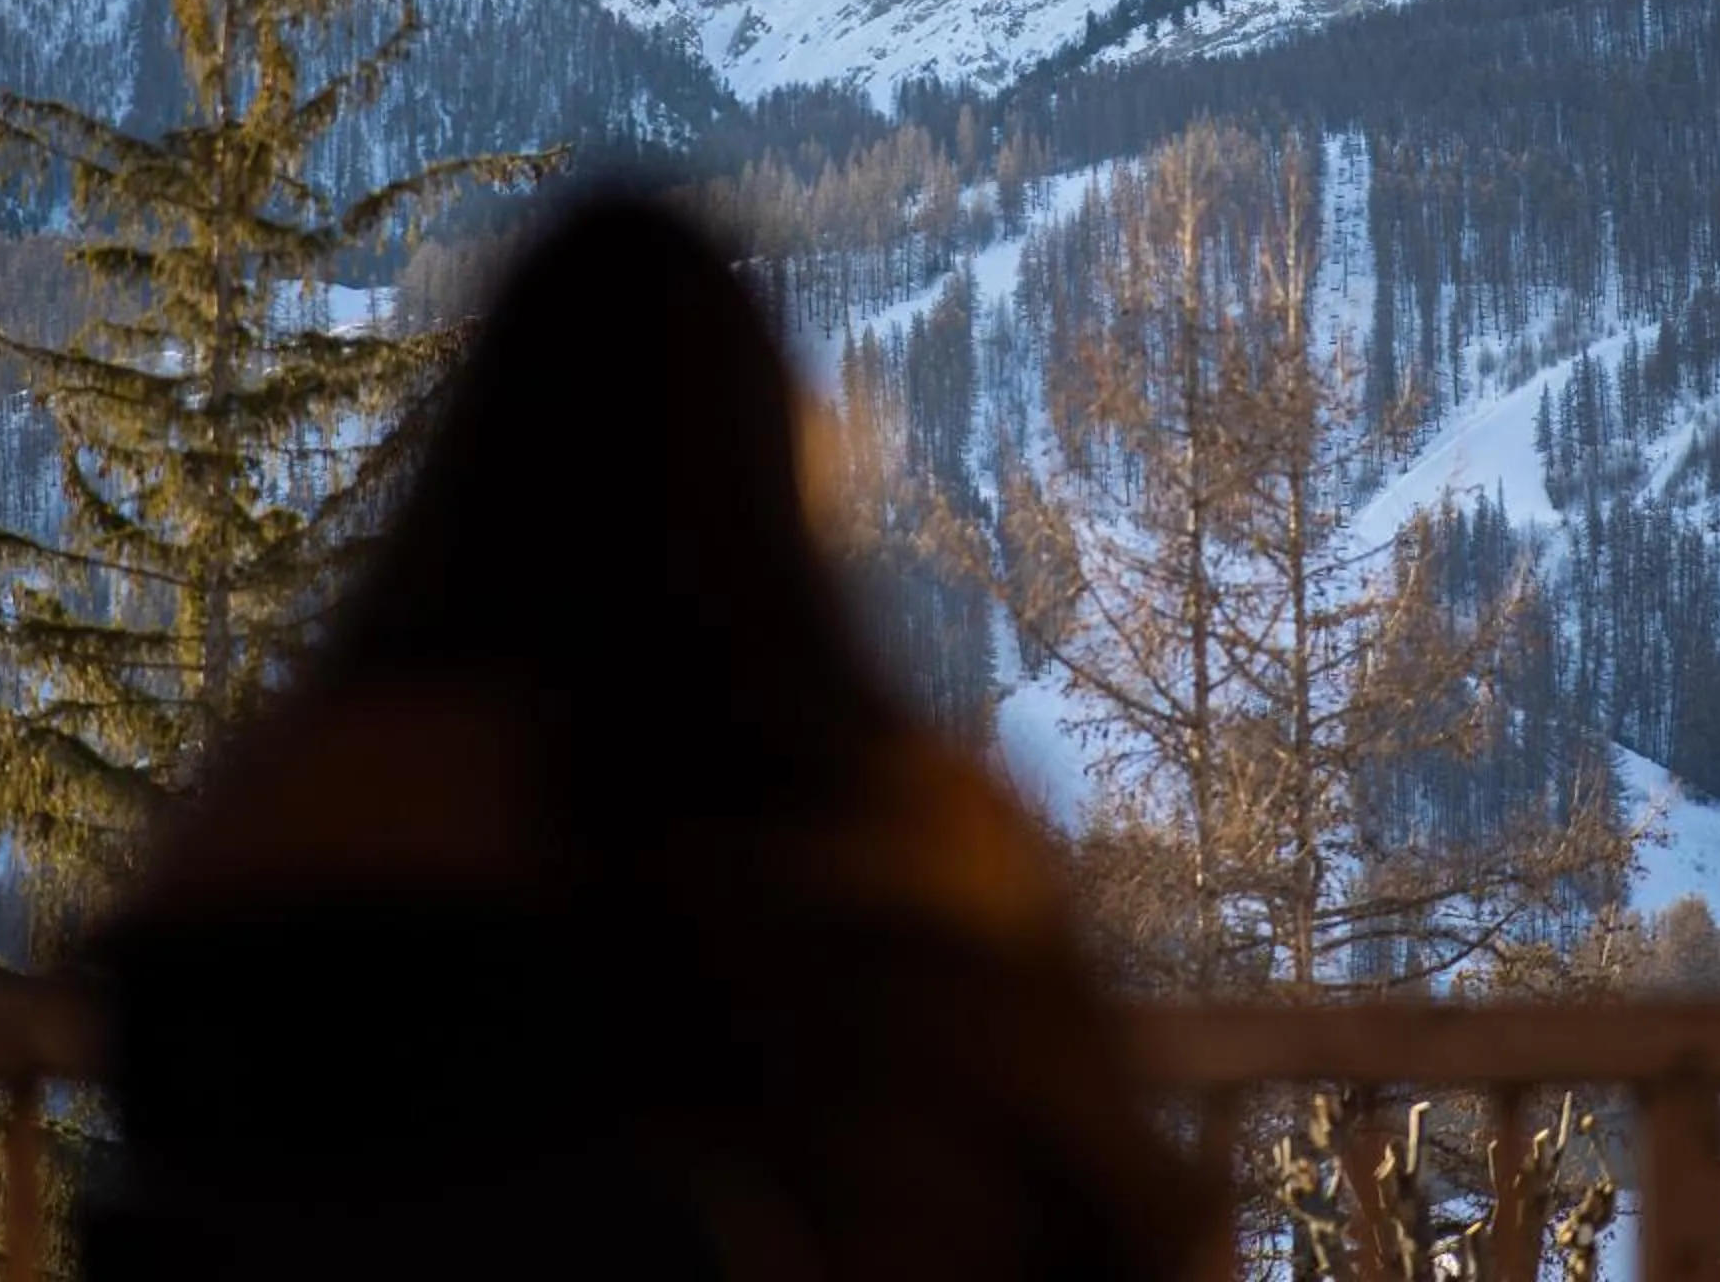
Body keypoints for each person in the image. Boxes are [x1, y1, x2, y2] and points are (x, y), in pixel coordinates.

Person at [76, 183, 1215, 1279]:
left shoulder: (273, 874)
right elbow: (1120, 1215)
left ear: (466, 475)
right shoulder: (915, 881)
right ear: (777, 491)